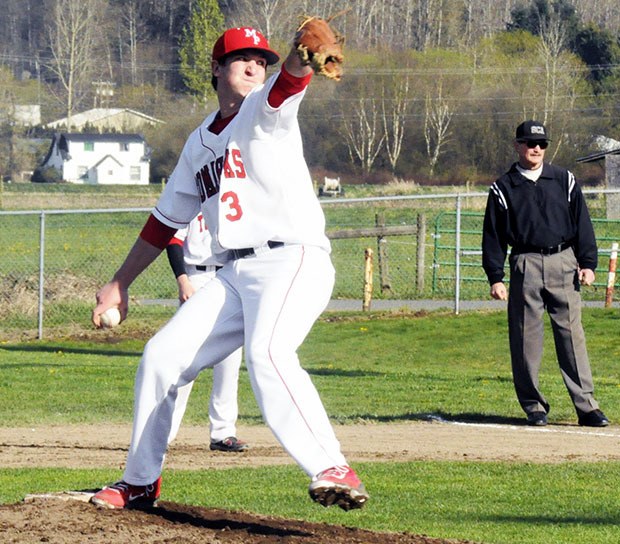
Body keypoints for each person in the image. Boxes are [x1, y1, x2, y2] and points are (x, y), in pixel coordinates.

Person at [89, 25, 368, 511]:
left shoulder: (264, 110)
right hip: (234, 275)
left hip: (292, 258)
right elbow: (164, 221)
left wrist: (300, 62)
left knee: (268, 353)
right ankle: (139, 481)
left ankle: (332, 466)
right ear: (216, 68)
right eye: (240, 57)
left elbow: (290, 84)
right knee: (161, 357)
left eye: (260, 60)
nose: (253, 66)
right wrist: (119, 283)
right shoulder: (198, 143)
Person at [482, 120, 609, 428]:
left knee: (572, 338)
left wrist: (588, 263)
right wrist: (495, 277)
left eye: (541, 144)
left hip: (564, 262)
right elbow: (493, 236)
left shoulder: (563, 179)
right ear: (517, 146)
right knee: (526, 339)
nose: (536, 148)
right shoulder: (503, 187)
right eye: (528, 143)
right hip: (525, 264)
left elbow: (583, 224)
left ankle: (587, 407)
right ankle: (534, 406)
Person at [166, 212, 248, 453]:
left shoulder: (233, 198)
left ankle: (223, 433)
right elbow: (173, 239)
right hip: (196, 277)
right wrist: (182, 280)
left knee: (230, 359)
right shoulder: (194, 198)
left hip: (229, 276)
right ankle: (164, 433)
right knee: (184, 359)